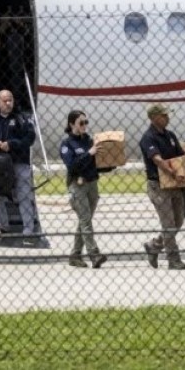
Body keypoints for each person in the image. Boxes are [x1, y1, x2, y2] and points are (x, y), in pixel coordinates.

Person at [0, 89, 38, 240]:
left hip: (19, 163)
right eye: (5, 100)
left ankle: (28, 231)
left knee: (24, 195)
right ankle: (4, 227)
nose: (8, 103)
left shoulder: (22, 120)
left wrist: (11, 144)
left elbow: (30, 139)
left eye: (10, 100)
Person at [139, 103, 185, 270]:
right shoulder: (148, 138)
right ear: (154, 118)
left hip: (174, 184)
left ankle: (154, 245)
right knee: (168, 223)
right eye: (164, 115)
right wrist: (172, 172)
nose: (168, 118)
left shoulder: (170, 135)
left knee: (178, 221)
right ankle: (173, 259)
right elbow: (157, 159)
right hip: (158, 185)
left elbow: (181, 156)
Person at [59, 110, 107, 269]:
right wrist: (89, 153)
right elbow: (72, 166)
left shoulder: (90, 141)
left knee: (84, 221)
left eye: (86, 122)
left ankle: (75, 255)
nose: (85, 125)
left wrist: (112, 162)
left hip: (92, 184)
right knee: (86, 220)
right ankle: (94, 254)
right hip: (77, 185)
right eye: (81, 123)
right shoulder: (67, 145)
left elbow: (96, 164)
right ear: (72, 124)